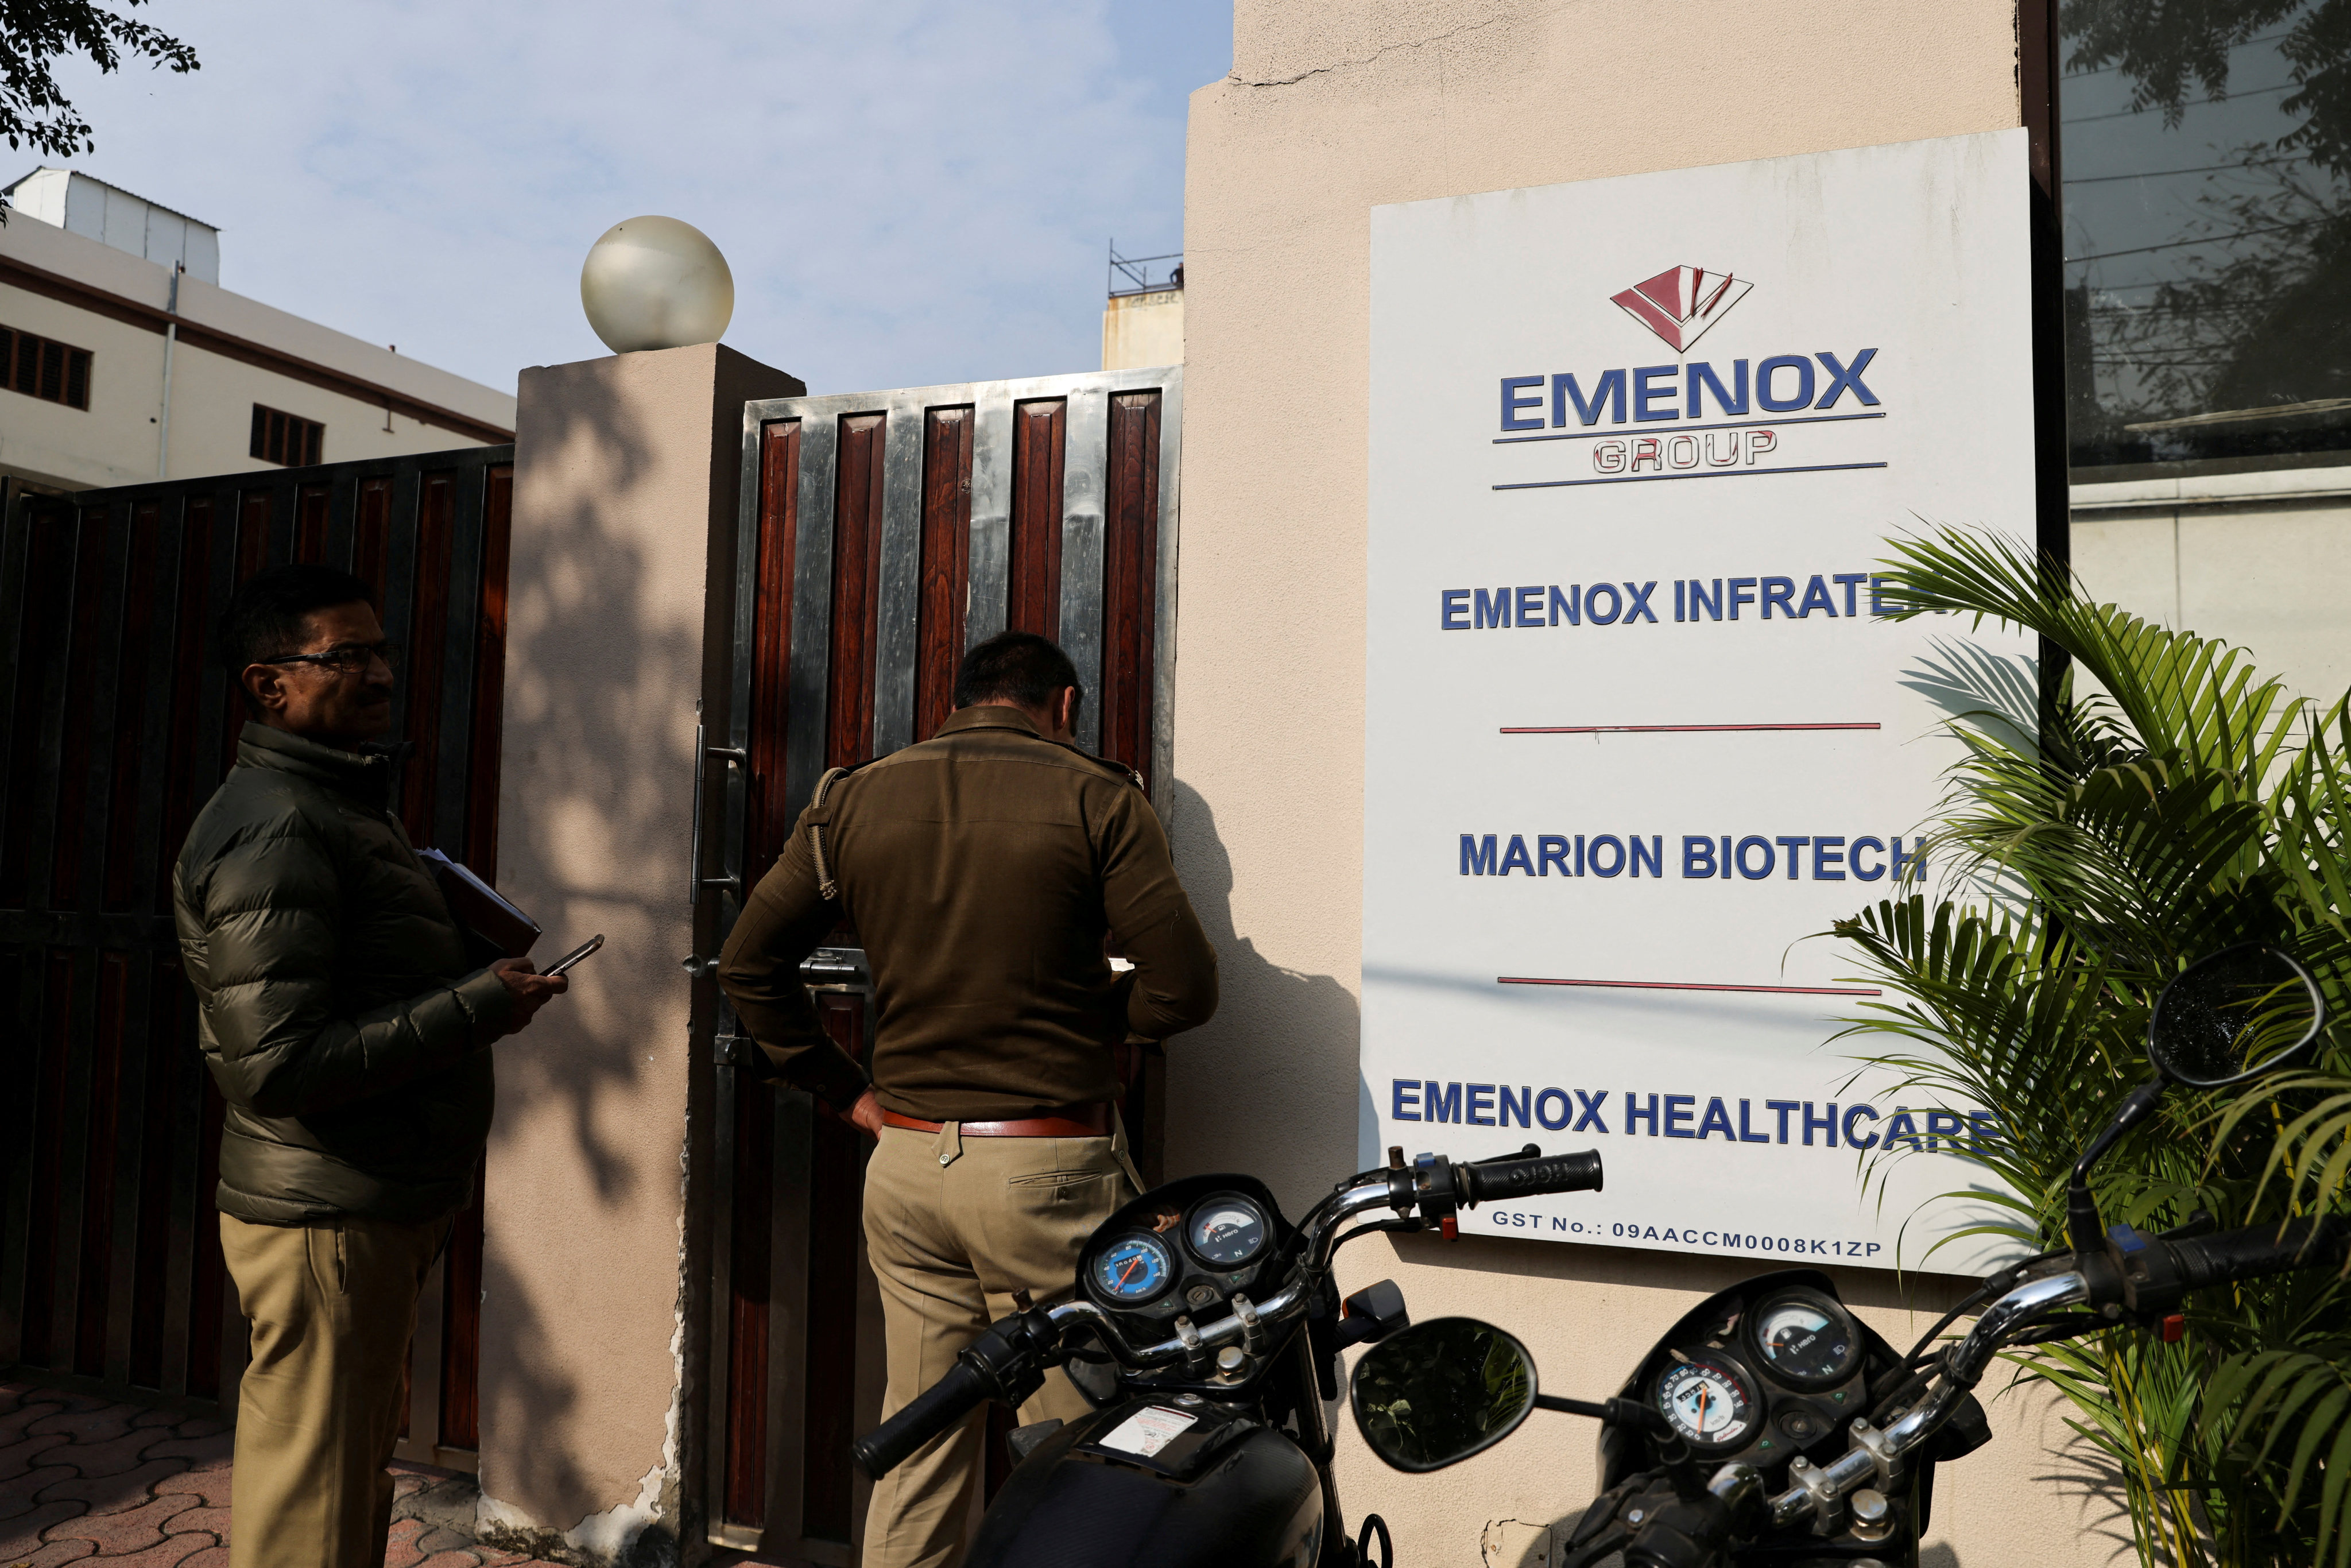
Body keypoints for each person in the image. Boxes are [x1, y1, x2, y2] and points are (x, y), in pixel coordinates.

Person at [718, 629, 1218, 1568]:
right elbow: (1185, 990)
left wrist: (843, 1089)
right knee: (1080, 1449)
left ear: (958, 703)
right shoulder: (1096, 796)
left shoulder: (852, 799)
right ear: (1064, 707)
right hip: (1045, 1175)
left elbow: (747, 965)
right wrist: (1099, 1013)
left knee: (920, 1442)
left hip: (907, 1166)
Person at [172, 564, 567, 1568]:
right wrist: (479, 1007)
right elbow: (276, 1064)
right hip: (328, 1210)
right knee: (315, 1494)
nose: (382, 674)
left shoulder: (335, 801)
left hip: (361, 1199)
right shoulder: (278, 823)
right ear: (270, 685)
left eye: (383, 652)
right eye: (348, 656)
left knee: (340, 1476)